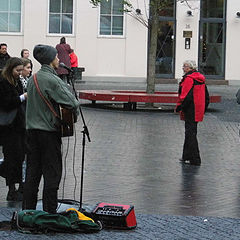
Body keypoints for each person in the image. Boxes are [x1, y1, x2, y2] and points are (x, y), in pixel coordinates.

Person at [22, 44, 80, 213]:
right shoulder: (52, 79)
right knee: (52, 173)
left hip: (31, 132)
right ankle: (49, 212)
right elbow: (72, 102)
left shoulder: (33, 78)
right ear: (50, 59)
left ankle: (28, 211)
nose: (58, 59)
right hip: (48, 132)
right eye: (56, 56)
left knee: (32, 173)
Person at [0, 57, 27, 201]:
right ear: (10, 69)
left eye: (21, 70)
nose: (20, 73)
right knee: (11, 158)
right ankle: (12, 189)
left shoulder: (16, 81)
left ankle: (18, 187)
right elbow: (7, 103)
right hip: (9, 127)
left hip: (18, 125)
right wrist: (23, 97)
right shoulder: (4, 82)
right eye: (18, 70)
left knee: (19, 156)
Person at [175, 60, 208, 166]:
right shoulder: (199, 78)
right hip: (197, 108)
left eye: (184, 66)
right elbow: (206, 96)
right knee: (191, 132)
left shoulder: (189, 79)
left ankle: (195, 158)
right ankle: (186, 156)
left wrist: (179, 107)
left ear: (189, 68)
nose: (183, 68)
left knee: (190, 133)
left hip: (190, 109)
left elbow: (185, 95)